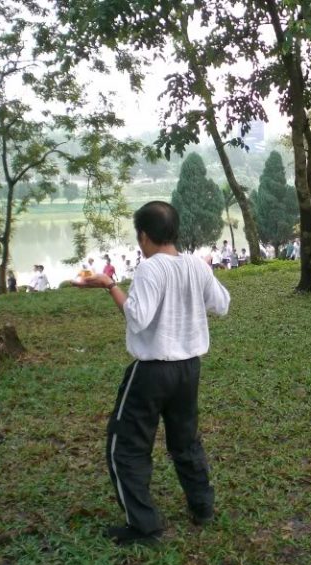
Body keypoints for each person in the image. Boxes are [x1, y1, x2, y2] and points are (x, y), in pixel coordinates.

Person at [72, 201, 230, 546]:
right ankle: (202, 507)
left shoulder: (150, 268)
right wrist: (194, 286)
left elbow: (138, 318)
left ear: (144, 235)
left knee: (125, 446)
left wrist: (109, 286)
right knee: (185, 441)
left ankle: (144, 528)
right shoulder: (196, 266)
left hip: (152, 371)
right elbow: (222, 304)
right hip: (189, 370)